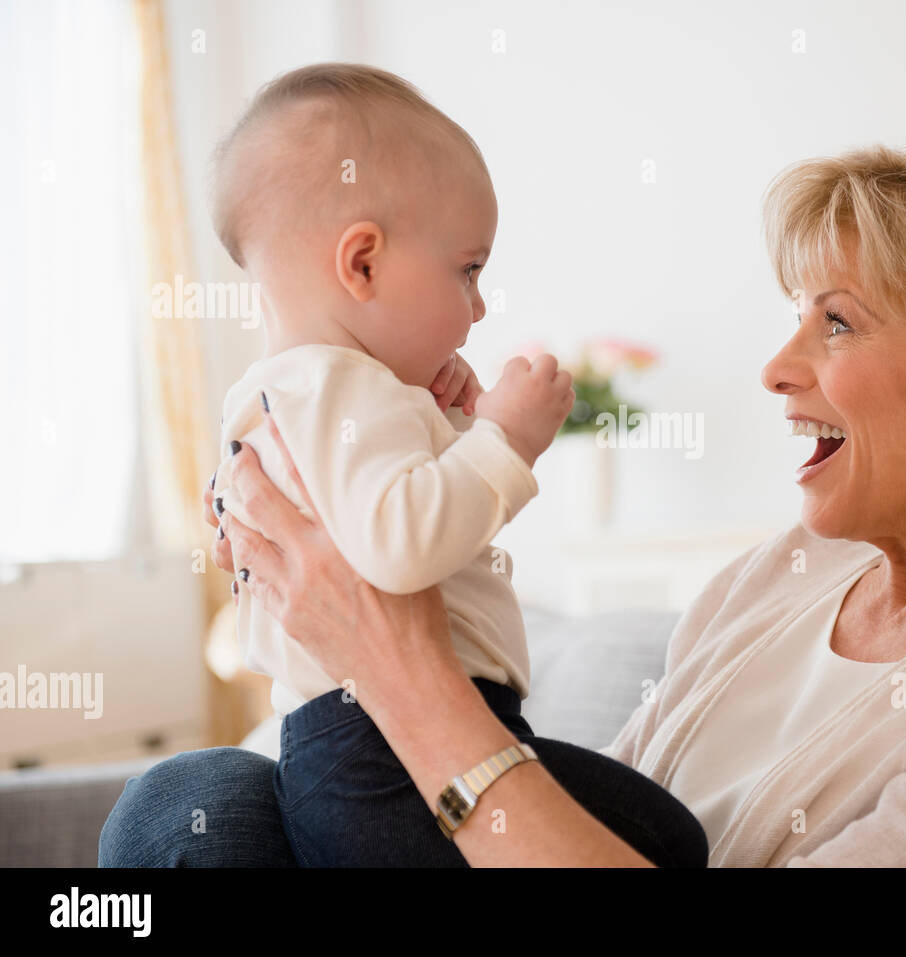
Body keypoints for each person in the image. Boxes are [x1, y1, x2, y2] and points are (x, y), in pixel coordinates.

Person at [101, 129, 906, 867]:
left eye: (835, 321)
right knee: (195, 800)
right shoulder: (786, 574)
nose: (777, 369)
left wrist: (395, 663)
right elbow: (565, 815)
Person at [181, 61, 706, 867]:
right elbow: (400, 546)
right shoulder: (339, 389)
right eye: (468, 268)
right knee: (669, 836)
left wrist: (449, 423)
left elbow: (373, 527)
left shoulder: (286, 397)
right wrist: (505, 438)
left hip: (354, 748)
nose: (480, 305)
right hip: (382, 751)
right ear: (361, 264)